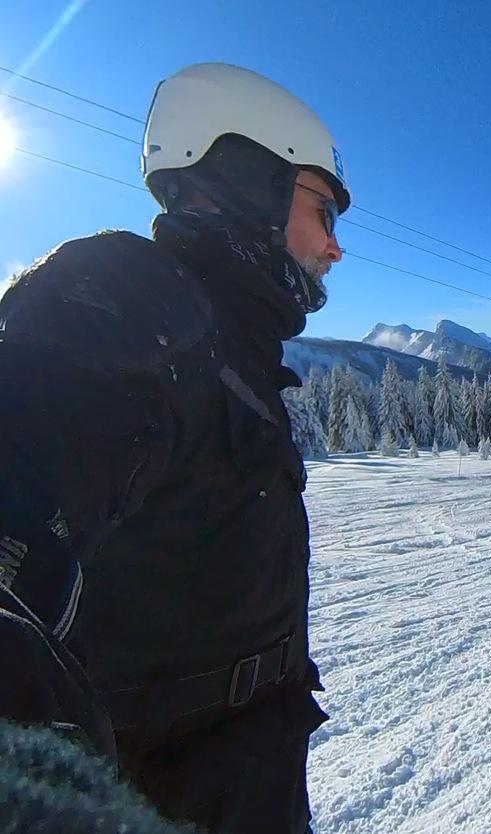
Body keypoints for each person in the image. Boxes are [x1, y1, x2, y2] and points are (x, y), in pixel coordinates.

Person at [0, 62, 349, 833]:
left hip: (246, 780)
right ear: (252, 177)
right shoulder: (124, 301)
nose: (335, 247)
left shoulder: (234, 348)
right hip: (150, 799)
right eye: (324, 211)